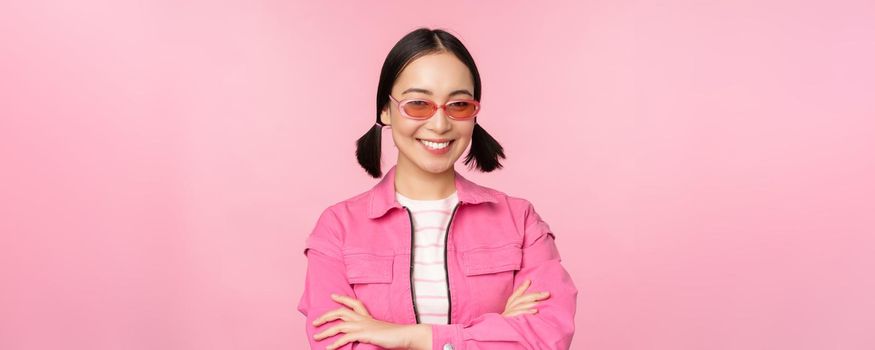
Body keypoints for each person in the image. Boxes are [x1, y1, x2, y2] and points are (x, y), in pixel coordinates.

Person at [297, 27, 578, 350]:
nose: (441, 124)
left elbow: (546, 337)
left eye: (458, 105)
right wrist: (496, 329)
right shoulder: (338, 228)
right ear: (385, 110)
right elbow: (336, 344)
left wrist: (411, 336)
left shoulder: (520, 220)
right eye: (418, 104)